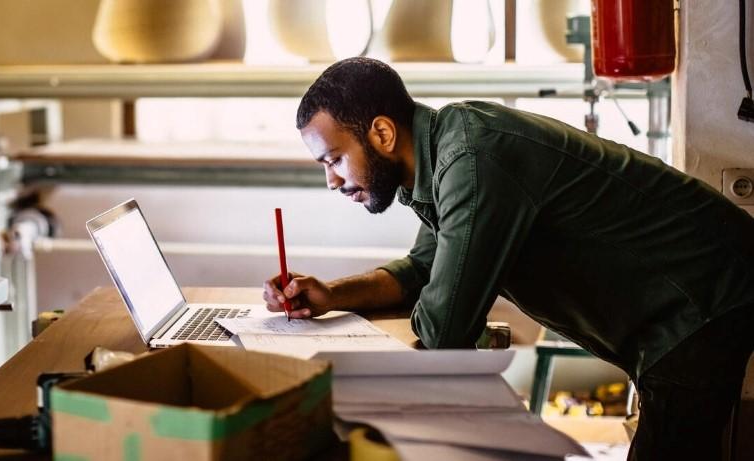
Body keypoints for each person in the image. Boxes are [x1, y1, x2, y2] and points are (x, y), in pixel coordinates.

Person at [262, 57, 754, 459]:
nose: (331, 180)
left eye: (333, 159)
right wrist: (331, 295)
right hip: (685, 301)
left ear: (383, 135)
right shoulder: (447, 153)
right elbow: (420, 270)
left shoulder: (473, 161)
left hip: (702, 297)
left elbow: (444, 327)